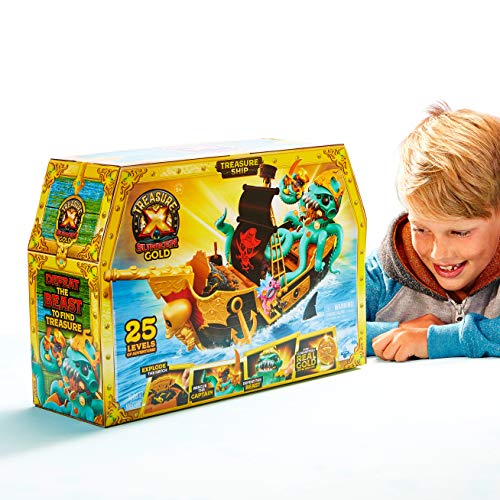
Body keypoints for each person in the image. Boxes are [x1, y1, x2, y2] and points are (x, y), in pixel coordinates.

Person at [366, 102, 500, 361]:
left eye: (460, 232)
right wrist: (397, 332)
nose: (439, 253)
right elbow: (307, 329)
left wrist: (438, 340)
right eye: (421, 229)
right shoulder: (380, 277)